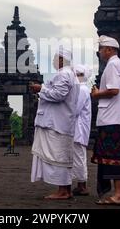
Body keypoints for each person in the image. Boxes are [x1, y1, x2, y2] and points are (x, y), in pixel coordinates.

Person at [30, 47, 79, 200]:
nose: (52, 61)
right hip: (60, 122)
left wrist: (41, 88)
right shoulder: (71, 74)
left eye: (54, 58)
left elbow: (59, 95)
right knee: (62, 156)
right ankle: (65, 189)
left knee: (58, 156)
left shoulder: (64, 74)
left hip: (56, 124)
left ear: (60, 59)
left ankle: (63, 190)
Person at [91, 36, 120, 206]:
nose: (99, 52)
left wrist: (97, 94)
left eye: (101, 49)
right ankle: (117, 193)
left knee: (114, 158)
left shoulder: (113, 64)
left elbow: (113, 90)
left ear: (109, 49)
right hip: (113, 117)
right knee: (111, 157)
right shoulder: (116, 64)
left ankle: (119, 194)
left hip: (113, 118)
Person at [72, 64, 92, 196]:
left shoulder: (82, 89)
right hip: (78, 127)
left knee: (78, 156)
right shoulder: (82, 89)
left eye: (77, 75)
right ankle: (80, 183)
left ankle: (82, 185)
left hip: (78, 128)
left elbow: (75, 109)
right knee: (78, 156)